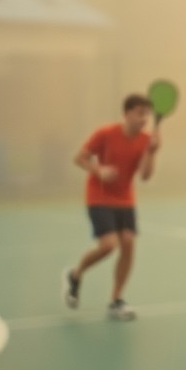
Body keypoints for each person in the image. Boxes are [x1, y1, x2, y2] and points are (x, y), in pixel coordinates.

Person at [63, 94, 161, 321]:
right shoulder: (105, 134)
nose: (143, 118)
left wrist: (153, 153)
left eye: (146, 113)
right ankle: (75, 275)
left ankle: (116, 300)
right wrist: (99, 171)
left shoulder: (147, 140)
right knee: (109, 245)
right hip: (98, 196)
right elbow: (79, 158)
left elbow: (145, 176)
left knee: (128, 243)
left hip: (126, 199)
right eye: (139, 112)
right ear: (126, 114)